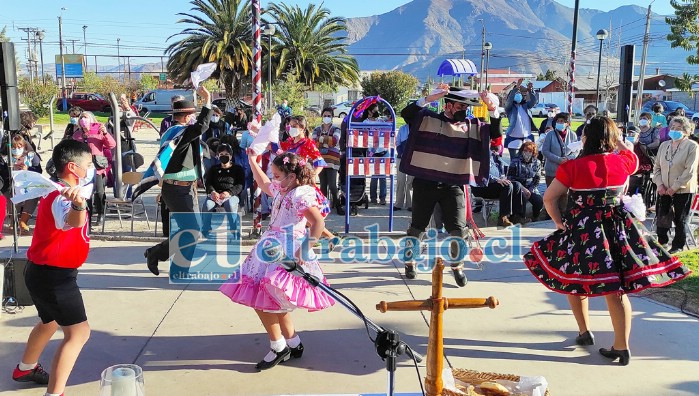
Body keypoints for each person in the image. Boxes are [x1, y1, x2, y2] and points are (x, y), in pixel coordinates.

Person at [524, 116, 691, 366]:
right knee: (616, 288)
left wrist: (559, 223)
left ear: (586, 138)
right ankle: (621, 347)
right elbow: (633, 160)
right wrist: (621, 144)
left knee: (575, 279)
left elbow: (549, 198)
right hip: (618, 227)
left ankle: (584, 332)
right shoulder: (622, 162)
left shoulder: (572, 167)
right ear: (612, 139)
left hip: (584, 230)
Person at [218, 151, 334, 370]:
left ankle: (278, 346)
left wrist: (303, 252)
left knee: (264, 296)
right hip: (271, 246)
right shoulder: (283, 188)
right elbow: (262, 183)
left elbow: (317, 222)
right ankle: (292, 342)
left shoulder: (300, 194)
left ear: (291, 176)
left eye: (277, 175)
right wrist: (253, 161)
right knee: (268, 297)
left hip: (286, 248)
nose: (273, 179)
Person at [12, 139, 94, 395]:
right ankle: (55, 393)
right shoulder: (63, 197)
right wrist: (79, 205)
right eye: (88, 165)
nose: (91, 169)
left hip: (40, 272)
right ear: (72, 167)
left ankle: (25, 368)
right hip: (55, 277)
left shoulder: (57, 190)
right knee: (79, 333)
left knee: (49, 322)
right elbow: (71, 221)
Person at [399, 84, 490, 287]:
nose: (464, 111)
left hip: (454, 184)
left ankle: (457, 266)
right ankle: (410, 260)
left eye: (466, 108)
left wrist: (493, 110)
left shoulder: (470, 126)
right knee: (418, 227)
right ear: (448, 105)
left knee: (458, 229)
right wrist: (429, 98)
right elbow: (407, 113)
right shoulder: (428, 119)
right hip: (425, 182)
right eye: (460, 106)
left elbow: (494, 133)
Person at [144, 86, 212, 276]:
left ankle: (178, 269)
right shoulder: (179, 133)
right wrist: (207, 100)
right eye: (192, 114)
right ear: (186, 116)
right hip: (176, 189)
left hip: (186, 188)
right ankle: (156, 253)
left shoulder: (179, 132)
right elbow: (202, 126)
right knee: (191, 230)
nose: (193, 118)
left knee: (190, 230)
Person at [653, 116, 699, 254]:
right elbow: (656, 167)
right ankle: (662, 242)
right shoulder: (664, 145)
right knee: (662, 217)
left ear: (686, 131)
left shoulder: (692, 146)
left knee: (680, 219)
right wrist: (660, 184)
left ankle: (678, 245)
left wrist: (675, 187)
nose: (675, 131)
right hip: (663, 189)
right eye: (673, 128)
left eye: (678, 129)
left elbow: (689, 170)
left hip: (683, 189)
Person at [72, 111, 116, 228]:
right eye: (81, 118)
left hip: (97, 168)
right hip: (83, 170)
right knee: (87, 195)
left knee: (99, 193)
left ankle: (101, 214)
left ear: (91, 119)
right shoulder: (77, 134)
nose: (83, 120)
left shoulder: (98, 131)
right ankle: (88, 217)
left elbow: (112, 145)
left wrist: (105, 133)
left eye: (85, 118)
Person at [472, 144, 528, 226]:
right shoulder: (477, 155)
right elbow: (479, 174)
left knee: (516, 185)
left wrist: (502, 175)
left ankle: (516, 216)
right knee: (507, 186)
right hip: (481, 187)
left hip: (494, 185)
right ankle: (503, 217)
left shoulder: (493, 156)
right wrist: (496, 180)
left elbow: (502, 171)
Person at [201, 144, 245, 237]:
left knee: (230, 204)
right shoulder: (213, 169)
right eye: (221, 154)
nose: (224, 156)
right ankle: (206, 229)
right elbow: (208, 183)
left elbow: (240, 185)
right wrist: (212, 192)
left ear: (230, 156)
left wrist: (229, 192)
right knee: (208, 205)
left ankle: (234, 229)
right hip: (216, 195)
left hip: (231, 195)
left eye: (226, 154)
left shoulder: (237, 169)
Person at [542, 112, 577, 212]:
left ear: (567, 123)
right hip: (552, 170)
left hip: (566, 170)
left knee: (564, 194)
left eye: (562, 121)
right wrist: (558, 159)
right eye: (558, 121)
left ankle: (563, 213)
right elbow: (545, 151)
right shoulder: (550, 135)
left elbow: (577, 150)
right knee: (552, 194)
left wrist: (569, 158)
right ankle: (550, 213)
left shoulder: (572, 135)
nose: (560, 123)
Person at [8, 134, 42, 234]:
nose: (16, 149)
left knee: (33, 196)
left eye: (19, 147)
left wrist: (28, 169)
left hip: (28, 182)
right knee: (13, 195)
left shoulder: (31, 156)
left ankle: (23, 221)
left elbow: (38, 170)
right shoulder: (6, 157)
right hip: (12, 183)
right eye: (14, 147)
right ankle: (13, 221)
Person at [311, 107, 342, 210]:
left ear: (332, 117)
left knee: (332, 185)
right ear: (322, 117)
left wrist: (321, 140)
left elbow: (334, 141)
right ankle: (323, 207)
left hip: (332, 160)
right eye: (325, 116)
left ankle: (338, 205)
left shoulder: (336, 129)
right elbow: (314, 142)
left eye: (329, 116)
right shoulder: (317, 129)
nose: (327, 117)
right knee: (323, 185)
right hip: (320, 160)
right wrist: (326, 142)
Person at [507, 141, 543, 221]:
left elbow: (537, 179)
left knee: (539, 200)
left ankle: (535, 216)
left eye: (530, 151)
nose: (527, 153)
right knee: (521, 198)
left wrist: (530, 189)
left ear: (533, 153)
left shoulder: (537, 163)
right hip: (517, 187)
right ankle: (520, 218)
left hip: (530, 187)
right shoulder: (515, 161)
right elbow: (510, 178)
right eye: (525, 151)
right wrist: (523, 189)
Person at [504, 78, 538, 158]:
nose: (518, 95)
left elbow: (533, 101)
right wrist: (517, 87)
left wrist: (530, 90)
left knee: (527, 160)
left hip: (527, 138)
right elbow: (509, 101)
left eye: (520, 94)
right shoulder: (510, 108)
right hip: (514, 139)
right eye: (516, 94)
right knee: (515, 162)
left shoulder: (525, 106)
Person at [363, 103, 388, 205]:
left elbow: (386, 134)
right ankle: (373, 197)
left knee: (383, 176)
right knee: (374, 176)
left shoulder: (381, 121)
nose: (376, 112)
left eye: (378, 110)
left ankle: (383, 197)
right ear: (369, 111)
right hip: (372, 152)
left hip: (383, 151)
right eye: (374, 110)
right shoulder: (365, 122)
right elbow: (363, 138)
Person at [394, 121, 413, 211]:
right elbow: (397, 142)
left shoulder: (419, 127)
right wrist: (401, 153)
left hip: (413, 159)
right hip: (401, 158)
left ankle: (410, 204)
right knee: (400, 180)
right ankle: (398, 203)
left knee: (410, 182)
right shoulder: (402, 128)